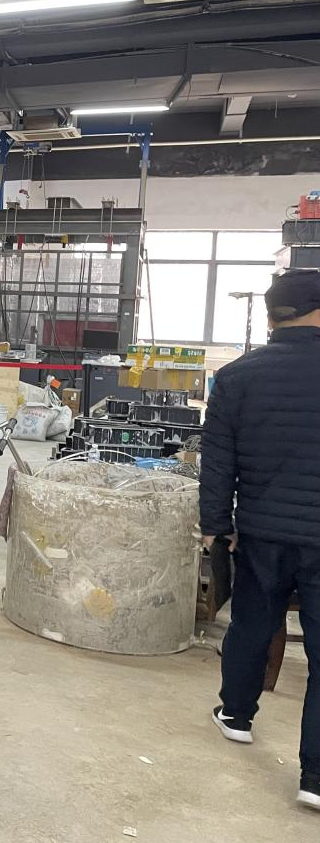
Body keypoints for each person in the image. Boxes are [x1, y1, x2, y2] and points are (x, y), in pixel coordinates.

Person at [201, 268, 320, 813]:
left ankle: (237, 715)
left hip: (263, 530)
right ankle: (314, 776)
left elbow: (217, 463)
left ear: (271, 316)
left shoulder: (236, 376)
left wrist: (216, 525)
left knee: (252, 622)